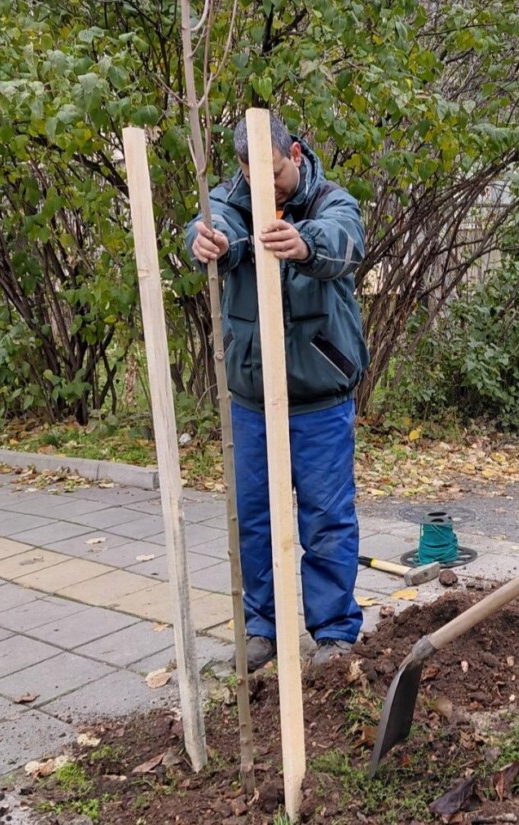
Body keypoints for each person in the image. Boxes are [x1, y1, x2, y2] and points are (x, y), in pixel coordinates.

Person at [186, 113, 368, 671]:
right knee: (254, 517)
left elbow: (344, 242)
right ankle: (260, 630)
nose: (265, 185)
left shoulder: (332, 201)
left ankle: (334, 634)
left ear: (293, 151)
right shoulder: (231, 199)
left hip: (320, 397)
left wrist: (304, 245)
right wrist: (208, 240)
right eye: (251, 174)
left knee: (327, 518)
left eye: (274, 172)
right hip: (252, 400)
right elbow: (215, 226)